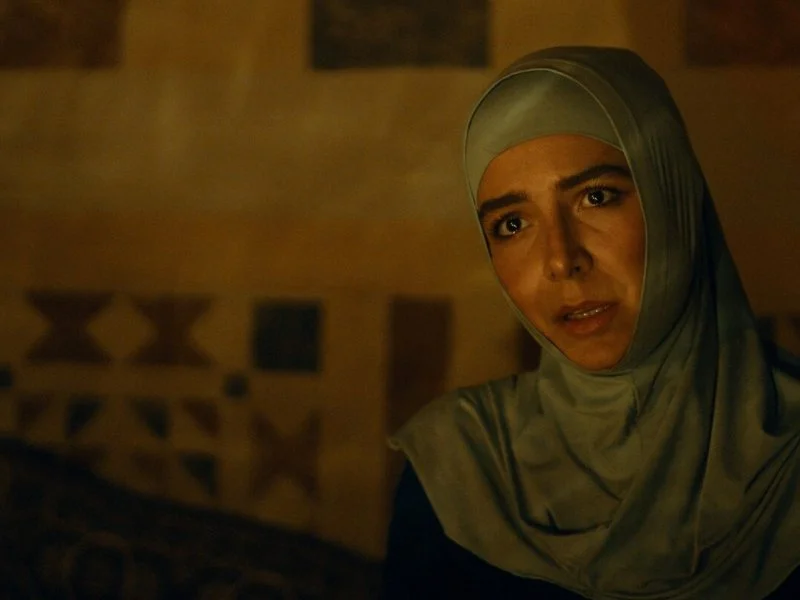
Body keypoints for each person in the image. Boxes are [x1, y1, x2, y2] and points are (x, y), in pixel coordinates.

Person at [383, 46, 800, 599]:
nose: (561, 259)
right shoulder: (460, 468)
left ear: (671, 193)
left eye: (595, 197)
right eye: (512, 224)